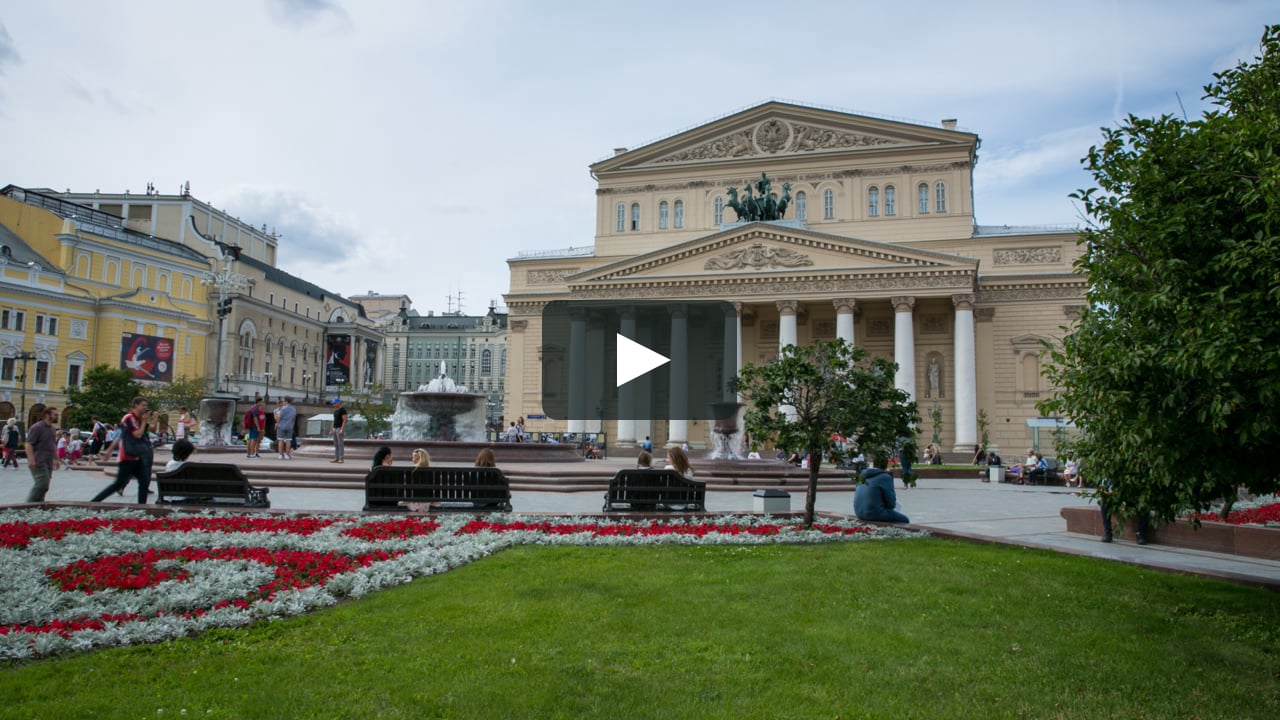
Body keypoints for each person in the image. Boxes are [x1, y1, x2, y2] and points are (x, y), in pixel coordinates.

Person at [91, 397, 155, 504]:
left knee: (144, 481)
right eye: (143, 405)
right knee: (118, 484)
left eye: (145, 406)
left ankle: (142, 508)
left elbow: (121, 435)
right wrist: (144, 421)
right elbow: (137, 434)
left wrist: (109, 451)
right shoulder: (129, 418)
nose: (145, 408)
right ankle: (93, 502)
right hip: (127, 456)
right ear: (136, 405)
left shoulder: (137, 418)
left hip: (136, 456)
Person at [854, 458, 910, 523]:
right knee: (905, 520)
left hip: (859, 512)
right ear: (886, 465)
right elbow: (891, 503)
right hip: (874, 513)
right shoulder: (885, 477)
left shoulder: (863, 475)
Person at [25, 407, 59, 502]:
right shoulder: (37, 427)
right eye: (55, 415)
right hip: (38, 461)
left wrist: (56, 459)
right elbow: (28, 444)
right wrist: (31, 459)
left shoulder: (52, 429)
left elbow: (53, 445)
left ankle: (38, 506)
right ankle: (26, 507)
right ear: (47, 415)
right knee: (41, 484)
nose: (57, 416)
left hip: (48, 462)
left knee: (45, 486)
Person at [330, 398, 347, 464]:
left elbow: (344, 420)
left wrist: (342, 429)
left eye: (334, 403)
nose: (333, 405)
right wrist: (331, 429)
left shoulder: (342, 410)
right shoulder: (335, 411)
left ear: (338, 403)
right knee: (336, 444)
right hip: (335, 428)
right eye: (333, 403)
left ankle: (341, 458)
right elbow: (334, 421)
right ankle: (336, 458)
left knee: (340, 444)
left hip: (339, 428)